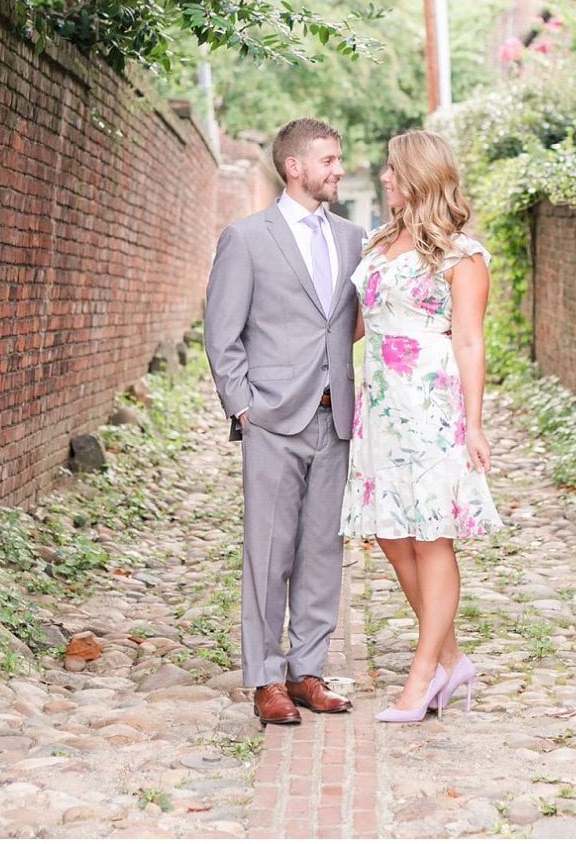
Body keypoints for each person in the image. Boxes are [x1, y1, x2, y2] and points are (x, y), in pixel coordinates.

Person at [203, 118, 365, 726]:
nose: (338, 169)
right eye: (328, 159)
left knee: (323, 548)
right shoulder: (246, 239)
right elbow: (222, 333)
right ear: (295, 167)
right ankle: (265, 678)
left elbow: (348, 320)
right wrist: (245, 407)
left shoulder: (353, 238)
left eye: (338, 158)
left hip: (334, 416)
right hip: (273, 418)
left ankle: (307, 672)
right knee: (268, 552)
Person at [341, 129, 503, 723]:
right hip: (380, 405)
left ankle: (423, 674)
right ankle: (452, 657)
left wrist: (475, 424)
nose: (384, 177)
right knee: (389, 532)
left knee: (432, 534)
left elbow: (468, 339)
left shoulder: (463, 255)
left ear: (420, 175)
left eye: (392, 169)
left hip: (432, 407)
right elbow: (360, 326)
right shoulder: (381, 243)